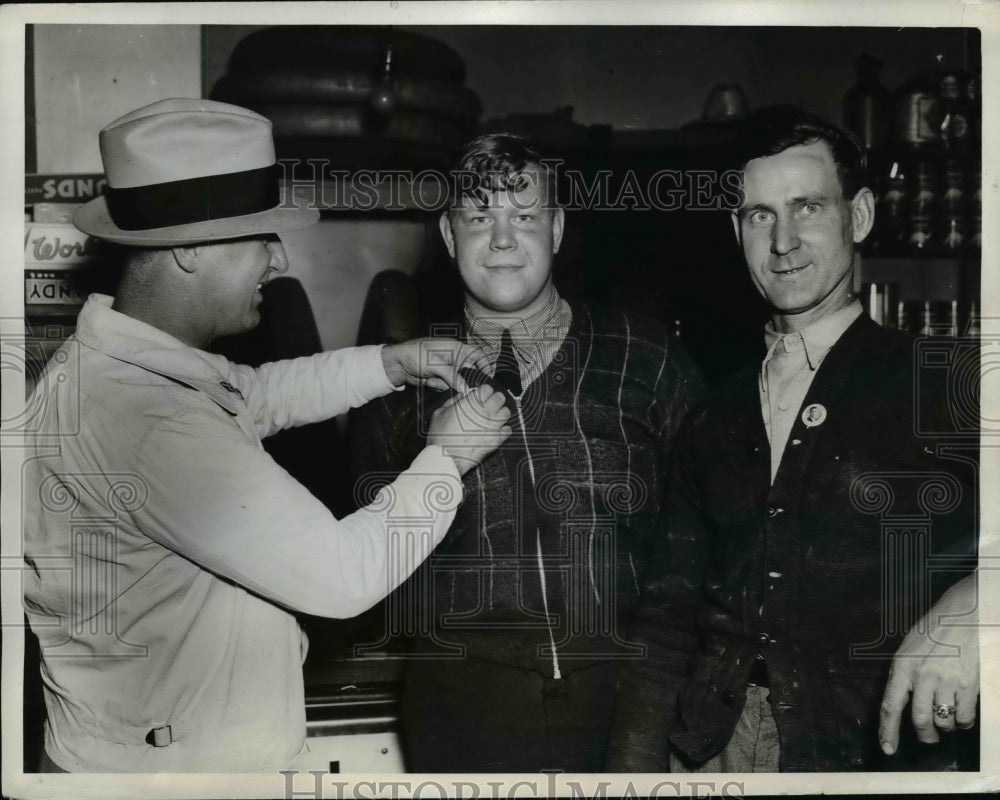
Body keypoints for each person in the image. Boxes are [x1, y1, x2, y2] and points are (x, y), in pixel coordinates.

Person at [21, 98, 512, 773]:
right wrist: (448, 456)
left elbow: (256, 396)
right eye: (260, 236)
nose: (278, 260)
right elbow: (343, 576)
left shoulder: (125, 364)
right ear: (189, 249)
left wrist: (393, 363)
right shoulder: (147, 418)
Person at [605, 105, 979, 772]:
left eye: (807, 207)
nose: (783, 241)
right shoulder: (710, 419)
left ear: (858, 217)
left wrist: (980, 600)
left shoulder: (945, 379)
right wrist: (629, 775)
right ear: (736, 230)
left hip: (878, 761)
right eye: (759, 215)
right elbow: (665, 622)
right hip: (715, 756)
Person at [351, 133, 703, 772]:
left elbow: (704, 547)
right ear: (450, 235)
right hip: (462, 713)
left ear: (558, 228)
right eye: (480, 217)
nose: (503, 239)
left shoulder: (648, 360)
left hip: (627, 708)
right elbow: (365, 569)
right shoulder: (400, 389)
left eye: (524, 215)